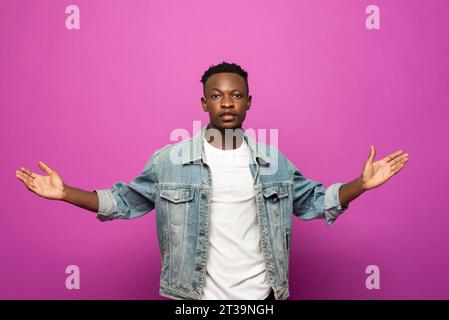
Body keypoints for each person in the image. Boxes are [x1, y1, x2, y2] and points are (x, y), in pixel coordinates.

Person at [15, 61, 409, 300]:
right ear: (204, 102)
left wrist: (361, 183)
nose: (226, 102)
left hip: (262, 296)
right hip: (193, 297)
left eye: (236, 95)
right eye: (217, 95)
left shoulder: (272, 162)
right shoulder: (171, 160)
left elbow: (314, 202)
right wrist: (66, 193)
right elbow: (123, 201)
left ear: (248, 102)